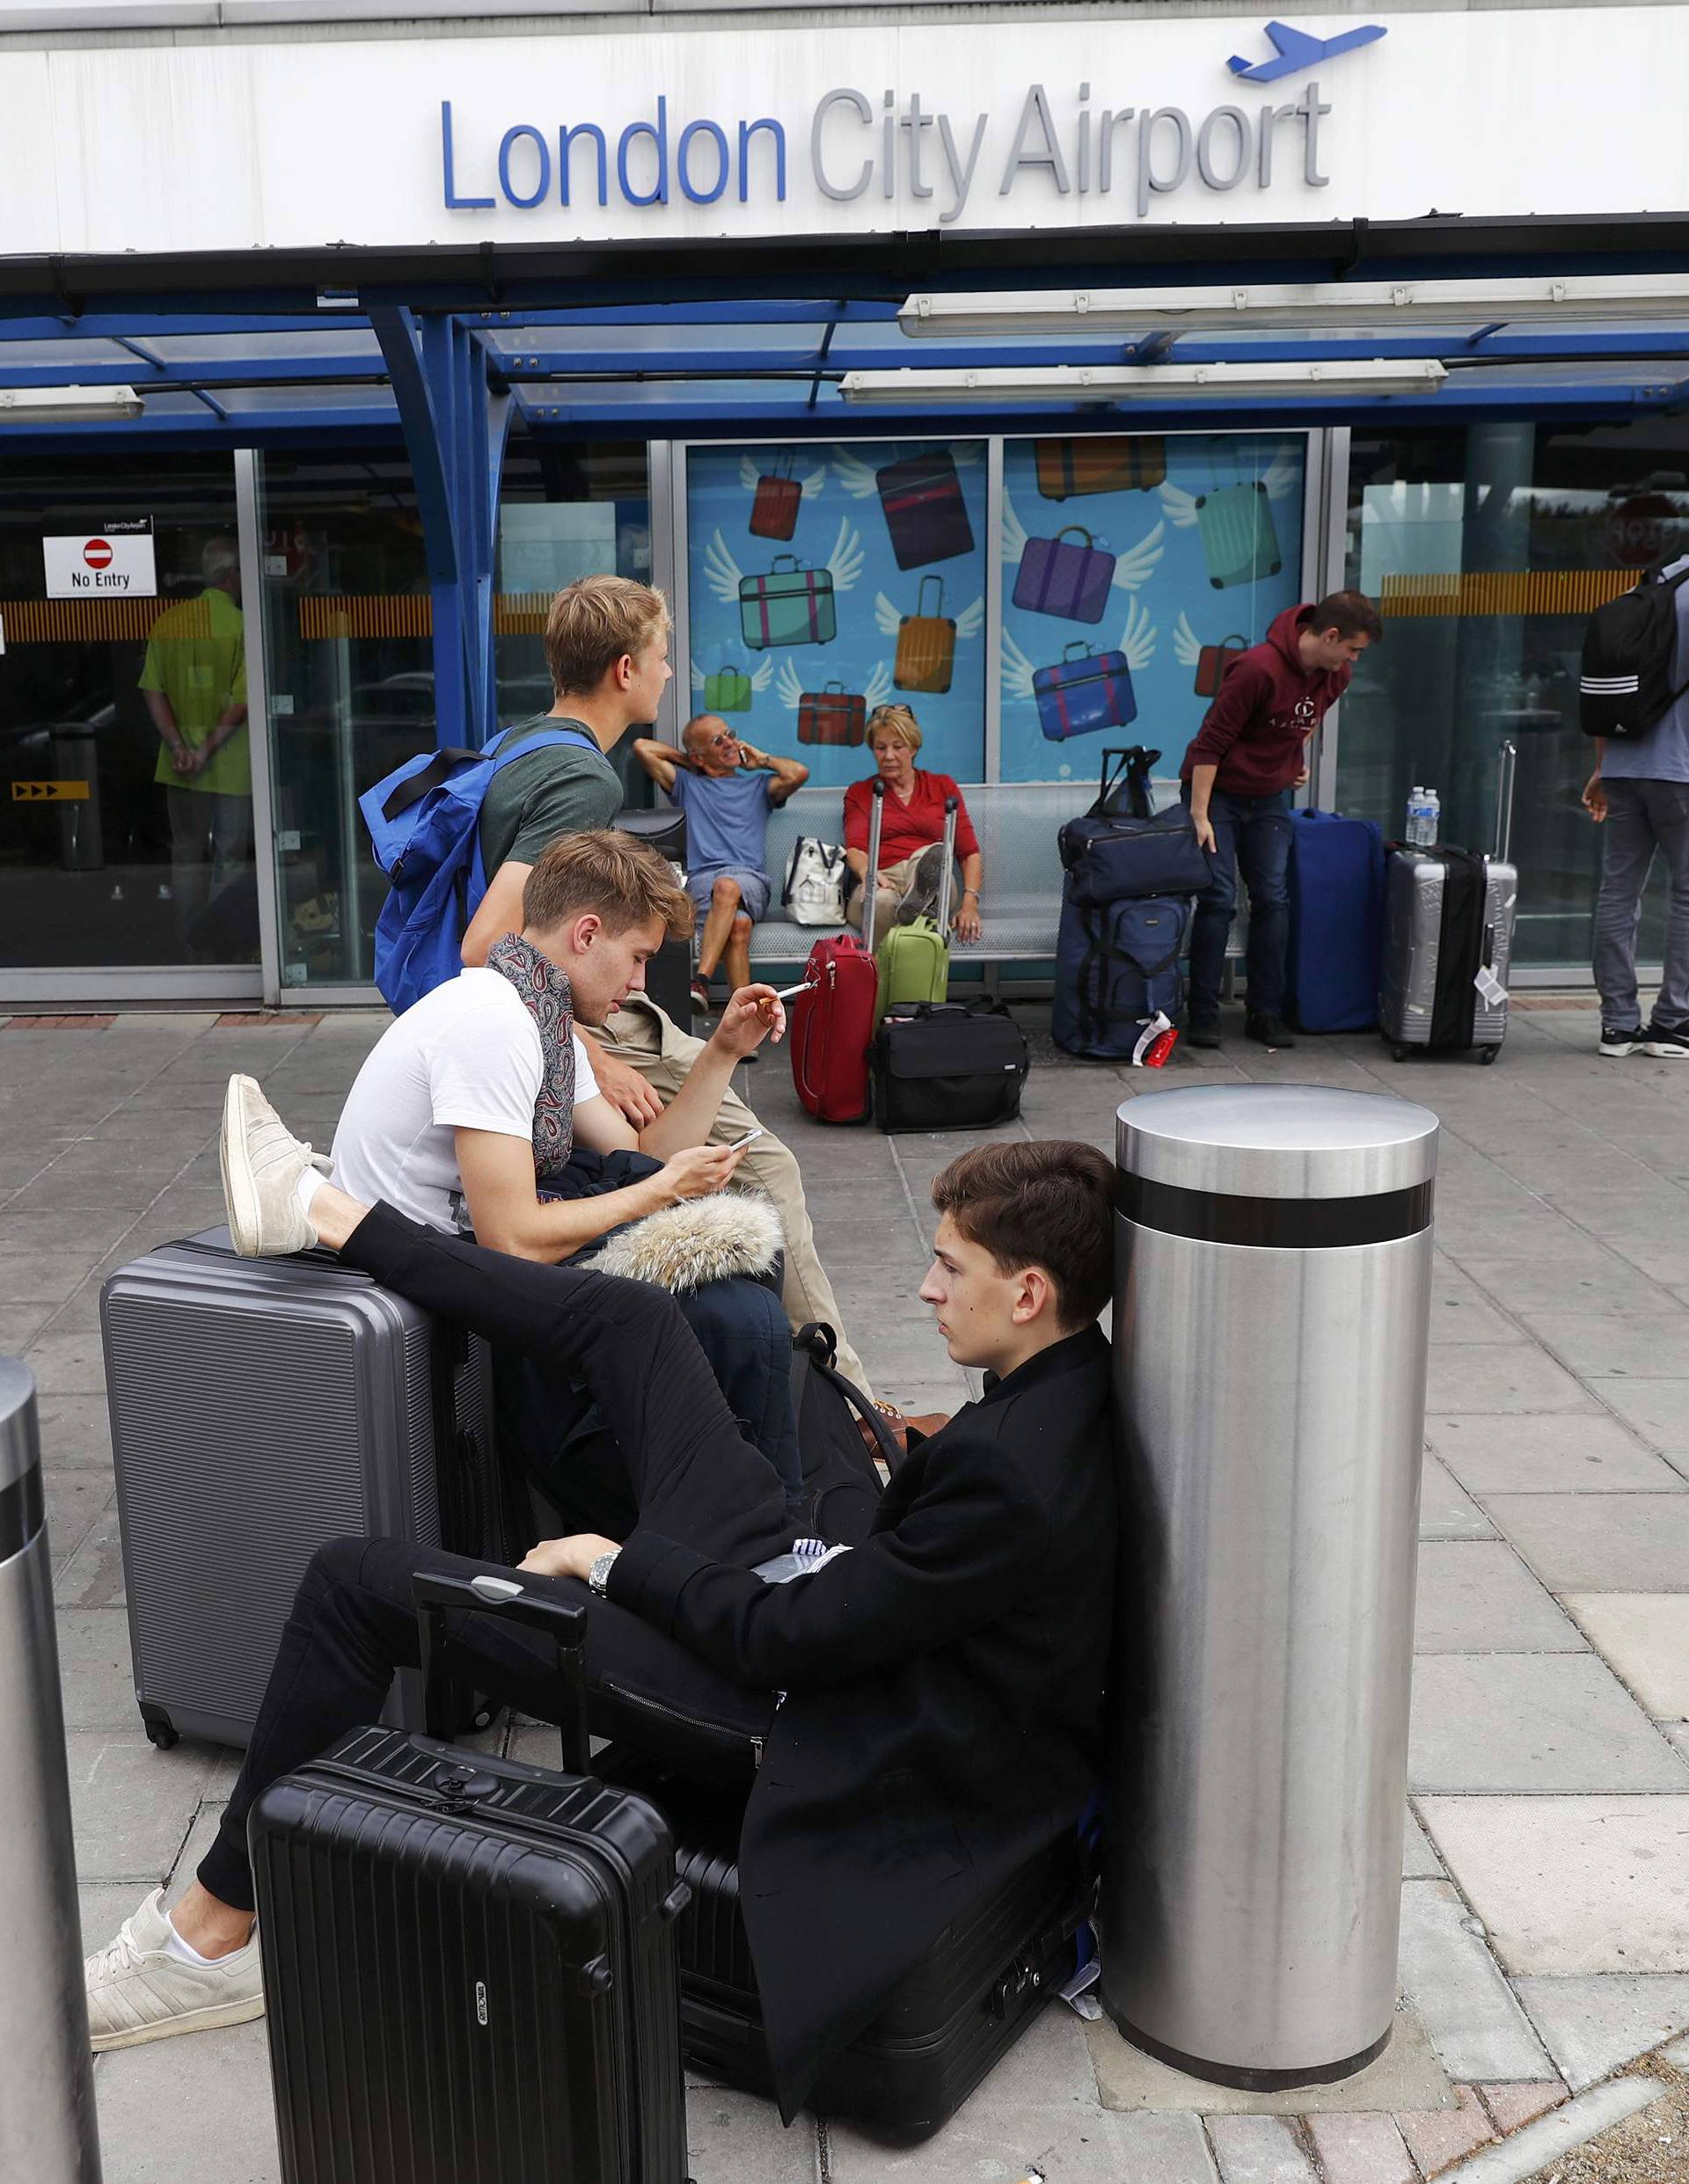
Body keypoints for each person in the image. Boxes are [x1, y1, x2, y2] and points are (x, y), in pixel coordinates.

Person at [84, 1114, 1115, 2135]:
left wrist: (617, 1563)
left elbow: (781, 1642)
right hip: (832, 1615)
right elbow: (908, 1584)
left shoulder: (1012, 1475)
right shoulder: (1069, 1382)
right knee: (643, 1323)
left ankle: (210, 1941)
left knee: (356, 1581)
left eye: (949, 1267)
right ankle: (324, 1209)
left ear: (1029, 1291)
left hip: (802, 1714)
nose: (927, 1288)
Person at [459, 575, 876, 1403]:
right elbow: (487, 946)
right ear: (623, 669)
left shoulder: (524, 743)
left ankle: (831, 1394)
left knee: (753, 1152)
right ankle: (850, 1406)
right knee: (766, 1166)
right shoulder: (585, 779)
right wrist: (583, 1056)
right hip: (586, 1026)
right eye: (659, 656)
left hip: (589, 1016)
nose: (667, 673)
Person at [329, 826, 801, 1506]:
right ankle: (741, 1519)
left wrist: (722, 1049)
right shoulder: (492, 1023)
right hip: (438, 1289)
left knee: (748, 1267)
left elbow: (648, 1159)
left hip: (482, 1260)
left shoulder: (541, 1015)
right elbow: (512, 1237)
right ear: (586, 935)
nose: (641, 982)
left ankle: (747, 1512)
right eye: (637, 957)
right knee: (738, 1319)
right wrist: (661, 1190)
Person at [1181, 591, 1383, 1051]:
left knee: (1273, 897)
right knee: (1218, 898)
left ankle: (1265, 1013)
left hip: (1268, 796)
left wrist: (1292, 757)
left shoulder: (1336, 674)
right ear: (1330, 636)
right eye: (1353, 648)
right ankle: (1204, 1014)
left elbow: (1308, 719)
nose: (1354, 659)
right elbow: (1211, 743)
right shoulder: (1257, 669)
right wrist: (1199, 814)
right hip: (1219, 794)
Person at [1583, 551, 1689, 1060]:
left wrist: (1603, 767)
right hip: (1682, 769)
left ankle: (1618, 1025)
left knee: (1619, 891)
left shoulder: (1650, 588)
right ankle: (1673, 1022)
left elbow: (1611, 686)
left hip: (1624, 764)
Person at [630, 713, 808, 1016]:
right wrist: (691, 763)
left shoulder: (759, 787)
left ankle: (700, 980)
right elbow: (641, 747)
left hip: (750, 882)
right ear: (699, 755)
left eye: (729, 734)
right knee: (738, 924)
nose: (730, 742)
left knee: (728, 887)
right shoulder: (687, 785)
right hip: (703, 886)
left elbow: (799, 773)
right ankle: (744, 1019)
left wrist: (761, 759)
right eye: (718, 740)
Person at [139, 538, 252, 953]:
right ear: (232, 576)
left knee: (186, 856)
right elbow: (242, 702)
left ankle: (187, 946)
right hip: (231, 766)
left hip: (178, 766)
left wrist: (178, 746)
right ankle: (220, 947)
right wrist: (205, 751)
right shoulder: (241, 626)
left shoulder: (169, 623)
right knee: (230, 859)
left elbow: (153, 691)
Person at [842, 705, 983, 943]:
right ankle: (919, 915)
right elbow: (855, 848)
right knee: (881, 901)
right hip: (881, 879)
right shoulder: (862, 792)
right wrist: (869, 873)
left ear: (914, 748)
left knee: (930, 858)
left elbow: (969, 852)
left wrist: (970, 905)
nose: (888, 756)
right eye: (880, 748)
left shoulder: (942, 787)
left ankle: (918, 897)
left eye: (898, 747)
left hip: (933, 879)